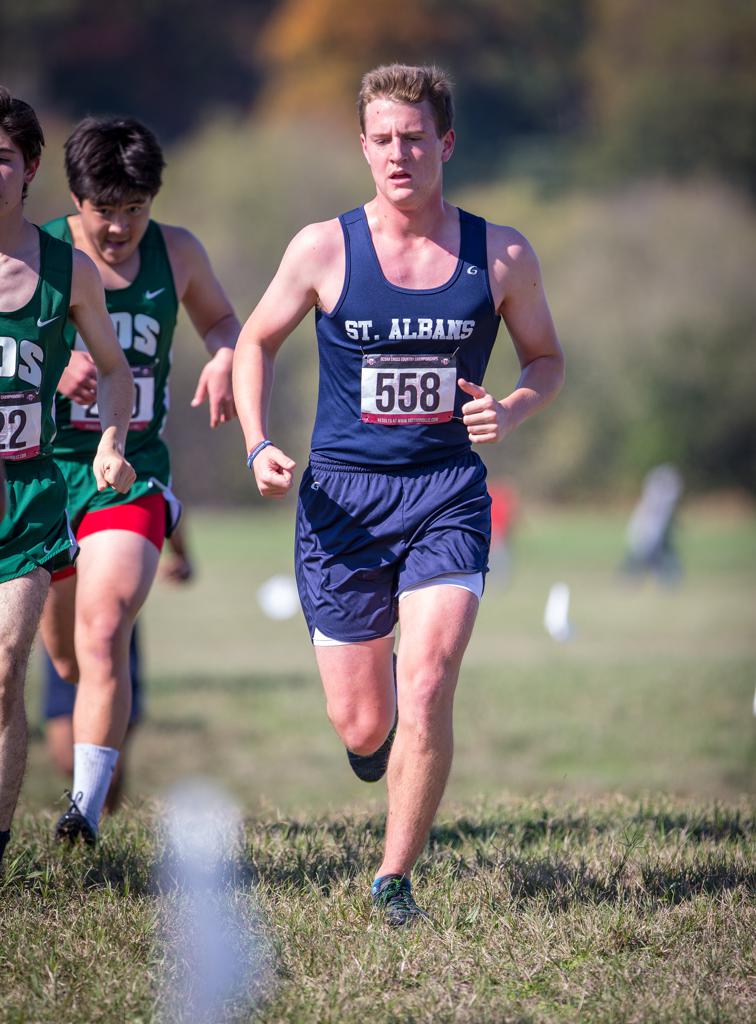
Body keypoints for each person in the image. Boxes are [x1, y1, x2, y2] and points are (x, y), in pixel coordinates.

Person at [232, 64, 565, 925]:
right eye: (382, 139)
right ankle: (377, 739)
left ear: (446, 143)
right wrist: (259, 441)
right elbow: (254, 344)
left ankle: (393, 877)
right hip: (341, 503)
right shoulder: (322, 248)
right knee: (363, 724)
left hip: (449, 494)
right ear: (363, 146)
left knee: (427, 685)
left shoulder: (501, 252)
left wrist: (513, 405)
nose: (399, 154)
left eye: (415, 137)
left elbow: (545, 359)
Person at [38, 116, 240, 845]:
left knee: (106, 625)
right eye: (105, 210)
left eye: (135, 209)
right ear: (74, 197)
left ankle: (83, 812)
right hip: (43, 473)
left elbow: (222, 321)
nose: (120, 228)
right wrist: (52, 363)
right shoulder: (41, 252)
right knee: (64, 653)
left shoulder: (177, 252)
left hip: (129, 471)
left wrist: (223, 353)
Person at [0, 87, 135, 866]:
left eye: (2, 159)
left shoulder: (66, 269)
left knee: (4, 668)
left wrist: (109, 441)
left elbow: (114, 372)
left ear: (29, 170)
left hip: (24, 501)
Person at [42, 520, 194, 813]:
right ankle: (93, 804)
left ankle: (98, 818)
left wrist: (181, 553)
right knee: (64, 756)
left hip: (109, 602)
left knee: (112, 740)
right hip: (61, 595)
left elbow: (161, 485)